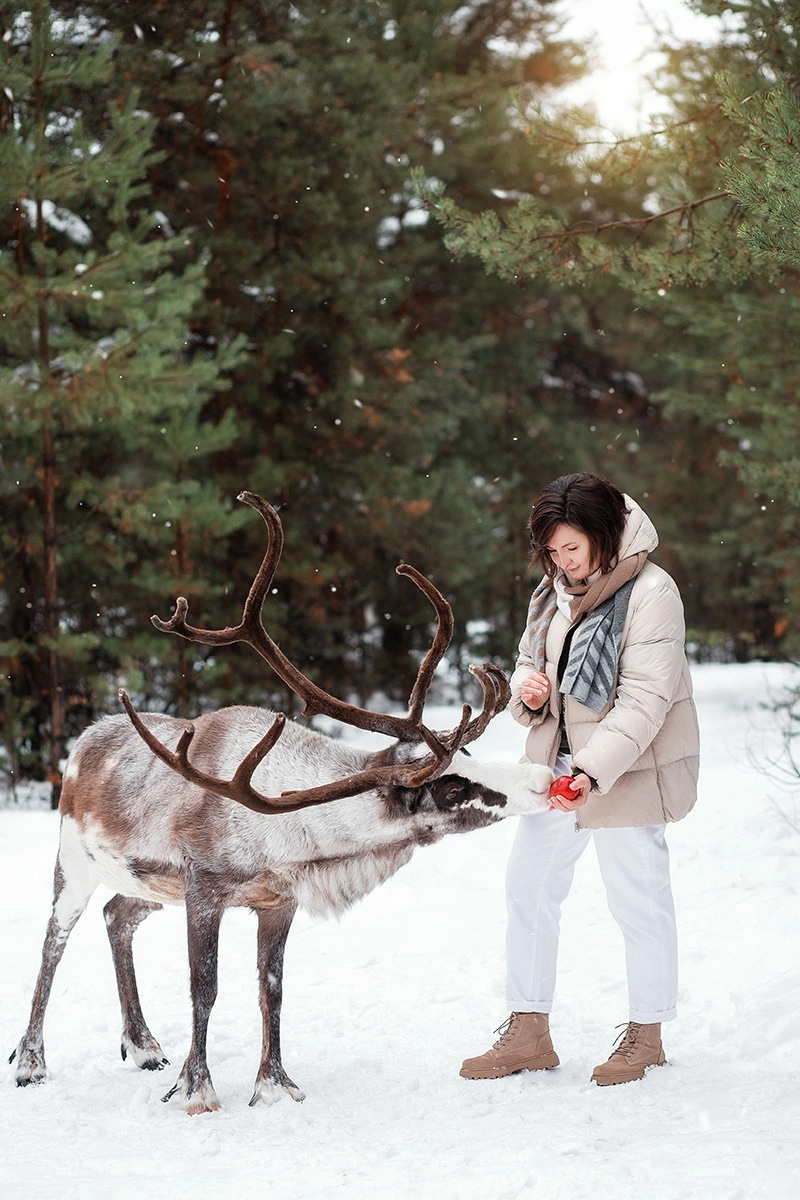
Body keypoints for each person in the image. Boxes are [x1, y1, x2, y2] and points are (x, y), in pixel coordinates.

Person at [460, 472, 699, 1087]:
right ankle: (529, 1030)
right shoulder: (554, 592)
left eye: (572, 548)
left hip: (628, 769)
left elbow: (646, 698)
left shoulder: (652, 592)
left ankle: (647, 1034)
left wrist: (593, 770)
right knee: (528, 887)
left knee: (637, 900)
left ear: (605, 534)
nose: (561, 562)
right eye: (552, 551)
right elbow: (530, 662)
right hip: (559, 765)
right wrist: (528, 691)